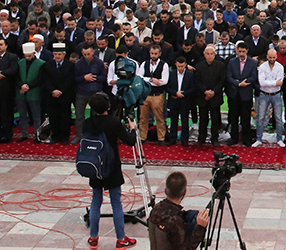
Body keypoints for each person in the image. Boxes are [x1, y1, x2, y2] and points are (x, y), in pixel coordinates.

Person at [83, 92, 138, 250]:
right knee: (116, 202)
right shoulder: (113, 122)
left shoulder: (87, 122)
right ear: (107, 106)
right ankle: (121, 239)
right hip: (111, 166)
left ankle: (93, 238)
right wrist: (132, 129)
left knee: (96, 200)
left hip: (94, 164)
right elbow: (130, 141)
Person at [148, 171, 209, 250]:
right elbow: (188, 248)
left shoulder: (155, 209)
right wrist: (200, 227)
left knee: (192, 215)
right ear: (185, 192)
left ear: (165, 191)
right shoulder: (175, 221)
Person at [225, 42, 257, 146]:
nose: (242, 53)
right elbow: (229, 76)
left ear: (247, 51)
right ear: (237, 50)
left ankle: (246, 139)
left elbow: (254, 77)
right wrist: (238, 83)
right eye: (240, 51)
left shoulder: (252, 63)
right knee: (233, 117)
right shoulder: (232, 62)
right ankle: (233, 138)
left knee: (246, 118)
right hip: (234, 94)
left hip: (246, 94)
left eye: (243, 51)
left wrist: (245, 83)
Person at [195, 45, 227, 146]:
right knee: (203, 119)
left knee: (215, 119)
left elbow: (222, 81)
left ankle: (214, 138)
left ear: (215, 54)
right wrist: (205, 91)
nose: (210, 56)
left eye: (212, 54)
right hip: (203, 97)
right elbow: (197, 81)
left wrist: (213, 92)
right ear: (204, 55)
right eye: (208, 54)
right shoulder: (199, 66)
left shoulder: (220, 66)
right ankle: (201, 138)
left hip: (215, 97)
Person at [138, 43, 170, 144]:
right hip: (145, 95)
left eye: (155, 54)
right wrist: (151, 79)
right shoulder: (144, 64)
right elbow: (139, 77)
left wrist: (148, 81)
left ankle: (161, 138)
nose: (153, 56)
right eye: (152, 53)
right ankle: (142, 137)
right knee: (143, 118)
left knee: (160, 118)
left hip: (158, 96)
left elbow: (163, 81)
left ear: (159, 53)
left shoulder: (164, 65)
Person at [253, 48, 284, 147]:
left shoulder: (280, 67)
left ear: (276, 57)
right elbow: (261, 82)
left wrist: (269, 83)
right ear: (267, 57)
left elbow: (280, 83)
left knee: (278, 118)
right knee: (260, 117)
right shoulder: (262, 67)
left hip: (276, 94)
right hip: (264, 94)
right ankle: (258, 138)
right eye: (270, 57)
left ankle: (279, 138)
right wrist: (274, 83)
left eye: (273, 57)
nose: (272, 59)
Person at [165, 56, 196, 147]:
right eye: (179, 66)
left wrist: (183, 94)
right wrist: (175, 93)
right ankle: (172, 139)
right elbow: (167, 87)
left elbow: (193, 88)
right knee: (173, 121)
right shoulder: (171, 74)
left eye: (182, 66)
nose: (180, 68)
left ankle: (184, 139)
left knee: (185, 120)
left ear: (185, 65)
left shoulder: (190, 74)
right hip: (174, 100)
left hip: (185, 101)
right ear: (176, 65)